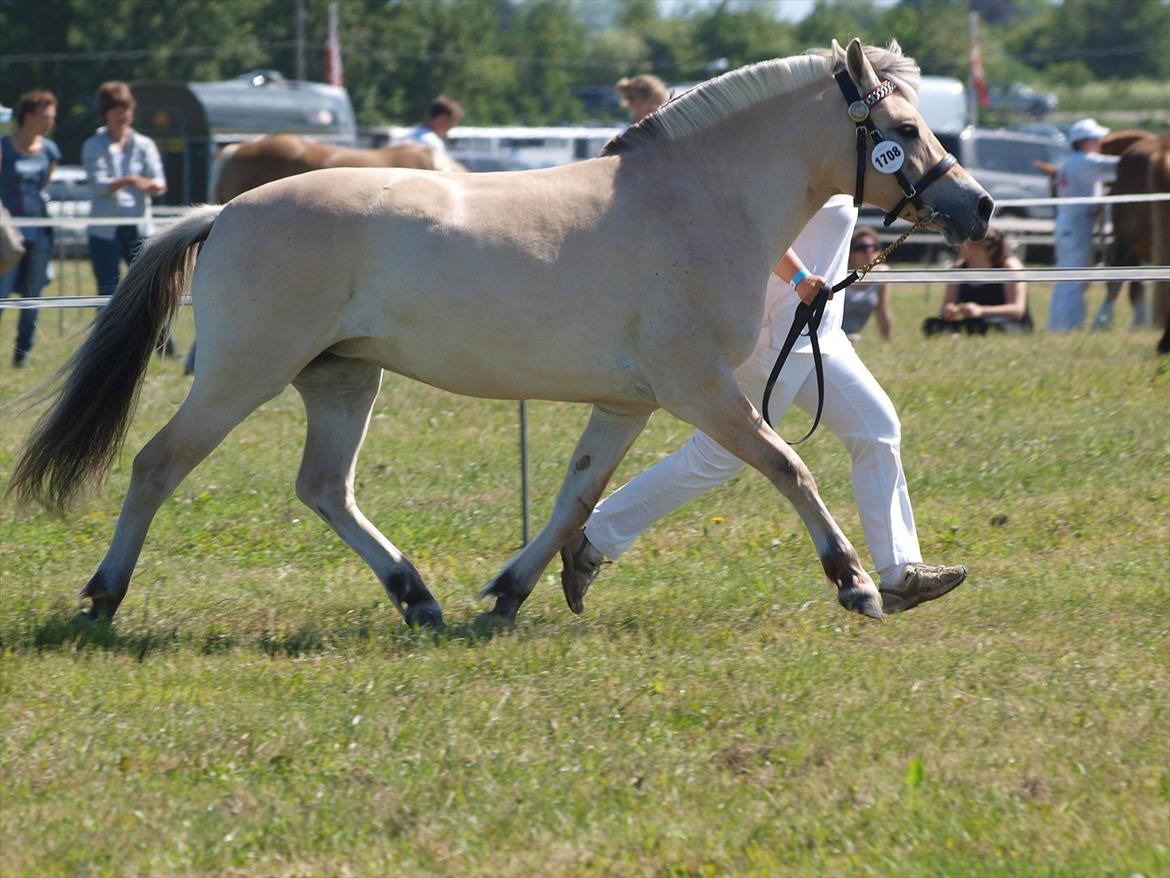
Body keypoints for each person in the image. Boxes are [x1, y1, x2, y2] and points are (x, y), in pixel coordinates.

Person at [561, 195, 968, 617]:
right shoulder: (800, 150)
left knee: (877, 430)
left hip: (822, 335)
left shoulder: (845, 153)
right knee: (715, 457)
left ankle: (900, 574)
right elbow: (754, 226)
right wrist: (800, 278)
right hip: (779, 335)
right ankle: (592, 539)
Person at [82, 81, 171, 354]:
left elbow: (160, 182)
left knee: (150, 288)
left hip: (139, 225)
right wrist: (130, 180)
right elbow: (98, 185)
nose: (123, 116)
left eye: (127, 110)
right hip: (105, 229)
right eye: (117, 110)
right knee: (107, 290)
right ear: (105, 112)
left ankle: (163, 346)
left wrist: (150, 185)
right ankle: (104, 348)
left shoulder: (144, 144)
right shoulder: (93, 144)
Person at [0, 89, 59, 367]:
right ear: (28, 115)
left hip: (40, 233)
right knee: (1, 294)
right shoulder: (3, 147)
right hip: (7, 235)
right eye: (46, 117)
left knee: (32, 299)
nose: (50, 122)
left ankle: (21, 357)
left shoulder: (50, 151)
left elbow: (44, 186)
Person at [1047, 118, 1119, 333]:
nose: (1101, 142)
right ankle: (1070, 327)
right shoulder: (1086, 161)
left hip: (1066, 223)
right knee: (1076, 281)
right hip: (1078, 226)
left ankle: (1057, 326)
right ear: (1084, 141)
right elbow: (1121, 166)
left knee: (1064, 279)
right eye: (1097, 138)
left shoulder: (1071, 162)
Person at [923, 226, 1031, 336]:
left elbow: (1017, 311)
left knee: (981, 327)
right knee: (933, 324)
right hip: (975, 322)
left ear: (984, 245)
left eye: (963, 241)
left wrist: (982, 311)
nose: (956, 246)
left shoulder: (1009, 266)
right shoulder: (958, 268)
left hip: (1007, 323)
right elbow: (945, 307)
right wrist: (949, 311)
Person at [841, 226, 892, 341]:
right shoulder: (839, 274)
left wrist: (889, 345)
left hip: (856, 338)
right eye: (862, 248)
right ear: (851, 252)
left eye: (874, 247)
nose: (869, 251)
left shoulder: (882, 275)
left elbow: (883, 311)